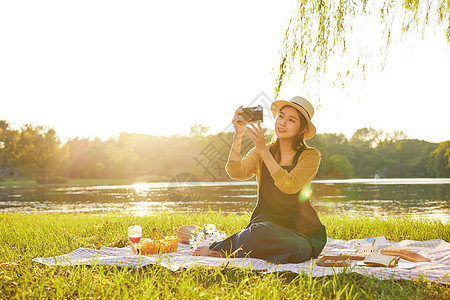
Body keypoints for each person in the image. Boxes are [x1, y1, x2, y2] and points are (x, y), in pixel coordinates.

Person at [193, 96, 326, 263]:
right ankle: (231, 248)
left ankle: (231, 249)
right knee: (259, 233)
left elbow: (289, 185)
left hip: (301, 232)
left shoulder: (310, 156)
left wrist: (263, 150)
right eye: (281, 116)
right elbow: (235, 171)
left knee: (298, 248)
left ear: (302, 129)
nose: (282, 123)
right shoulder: (261, 150)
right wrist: (239, 134)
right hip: (266, 226)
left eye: (291, 120)